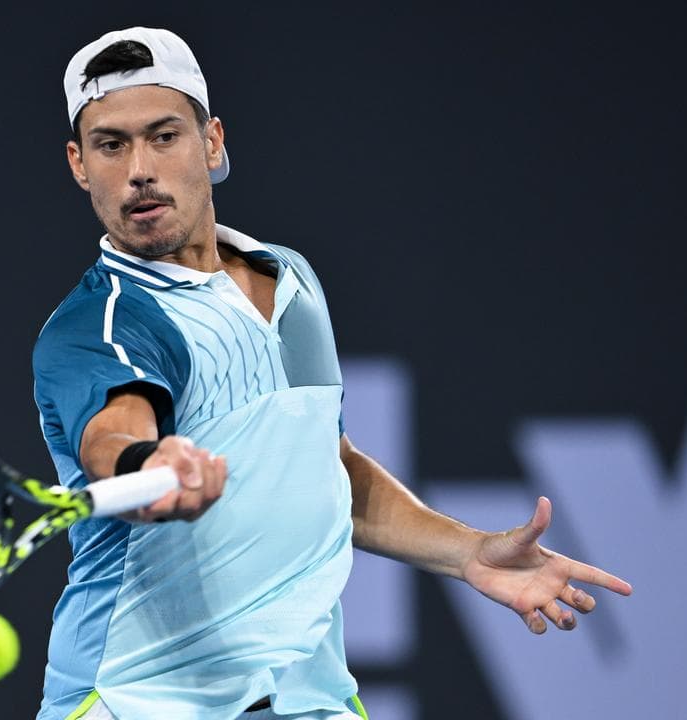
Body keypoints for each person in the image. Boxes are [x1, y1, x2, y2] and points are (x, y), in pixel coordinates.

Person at [32, 27, 632, 720]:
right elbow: (111, 442)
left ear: (213, 142)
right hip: (137, 702)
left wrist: (469, 553)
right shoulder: (98, 324)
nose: (139, 168)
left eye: (164, 136)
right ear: (79, 164)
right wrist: (151, 467)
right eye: (111, 145)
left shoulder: (293, 282)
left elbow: (330, 471)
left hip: (306, 699)